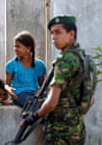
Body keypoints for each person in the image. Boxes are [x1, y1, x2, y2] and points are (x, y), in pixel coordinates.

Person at [24, 15, 86, 144]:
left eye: (58, 32)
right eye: (52, 33)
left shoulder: (64, 61)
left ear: (71, 34)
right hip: (77, 130)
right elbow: (88, 100)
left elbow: (52, 103)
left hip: (59, 132)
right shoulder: (84, 59)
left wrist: (34, 117)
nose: (53, 37)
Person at [4, 30, 46, 107]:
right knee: (34, 104)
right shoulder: (11, 65)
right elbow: (7, 85)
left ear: (28, 48)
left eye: (18, 46)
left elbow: (42, 85)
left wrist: (39, 92)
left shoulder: (40, 65)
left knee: (49, 102)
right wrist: (9, 90)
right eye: (15, 46)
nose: (15, 49)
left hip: (35, 94)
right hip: (20, 95)